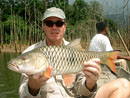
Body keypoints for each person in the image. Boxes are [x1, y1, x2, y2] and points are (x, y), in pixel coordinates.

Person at [19, 7, 130, 98]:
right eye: (49, 23)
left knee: (124, 85)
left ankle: (105, 59)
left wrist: (90, 83)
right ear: (43, 26)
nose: (54, 27)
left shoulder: (75, 51)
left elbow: (83, 91)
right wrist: (33, 86)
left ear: (64, 27)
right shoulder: (30, 53)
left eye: (59, 23)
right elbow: (23, 94)